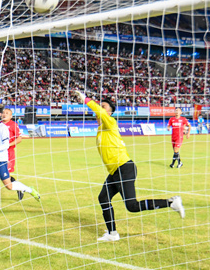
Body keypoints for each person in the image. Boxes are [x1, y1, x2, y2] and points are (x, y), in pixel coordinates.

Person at [75, 91, 184, 242]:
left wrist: (86, 100)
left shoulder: (110, 122)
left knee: (132, 206)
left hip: (124, 168)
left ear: (109, 112)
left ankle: (171, 202)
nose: (100, 108)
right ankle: (112, 234)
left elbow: (101, 112)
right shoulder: (101, 129)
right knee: (103, 198)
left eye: (103, 106)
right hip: (115, 171)